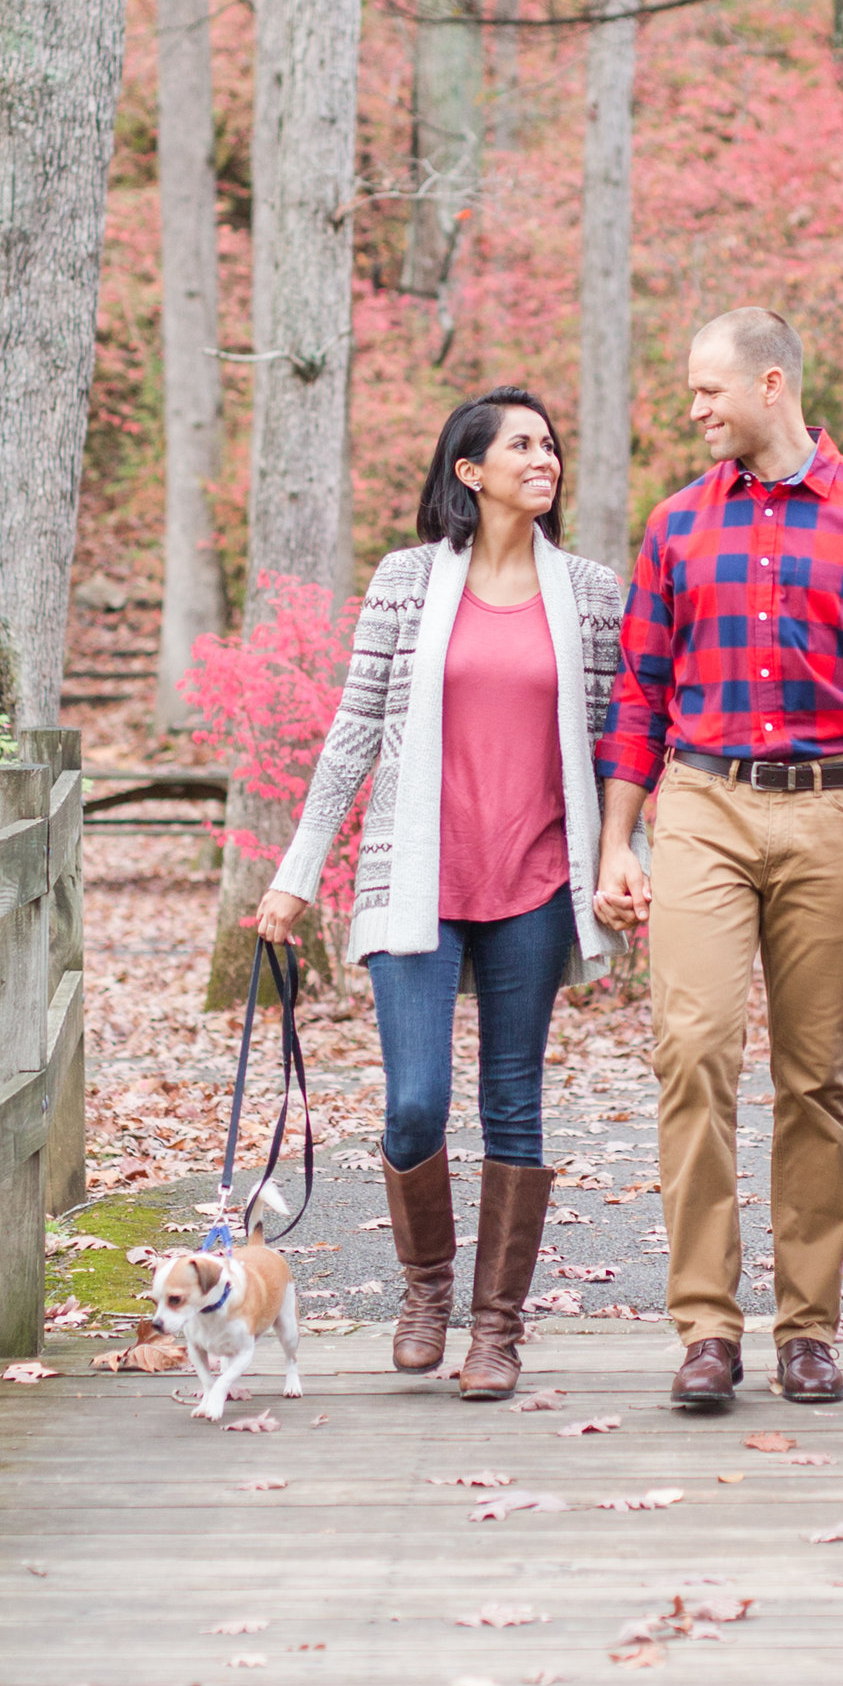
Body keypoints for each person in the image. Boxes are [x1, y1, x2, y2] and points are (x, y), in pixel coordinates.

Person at [593, 308, 843, 1412]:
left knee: (815, 1081)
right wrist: (621, 842)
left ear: (772, 385)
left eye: (709, 391)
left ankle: (808, 1328)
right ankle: (706, 1328)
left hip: (833, 812)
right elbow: (640, 697)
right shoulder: (675, 527)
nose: (694, 409)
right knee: (694, 1052)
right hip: (703, 804)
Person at [257, 388, 624, 1400]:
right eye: (521, 445)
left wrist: (628, 861)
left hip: (539, 880)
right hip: (418, 877)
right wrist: (297, 870)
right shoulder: (409, 581)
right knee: (415, 1104)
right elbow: (354, 732)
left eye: (551, 443)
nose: (543, 458)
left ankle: (495, 1330)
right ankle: (425, 1290)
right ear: (470, 471)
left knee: (515, 1102)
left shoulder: (591, 592)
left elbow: (614, 745)